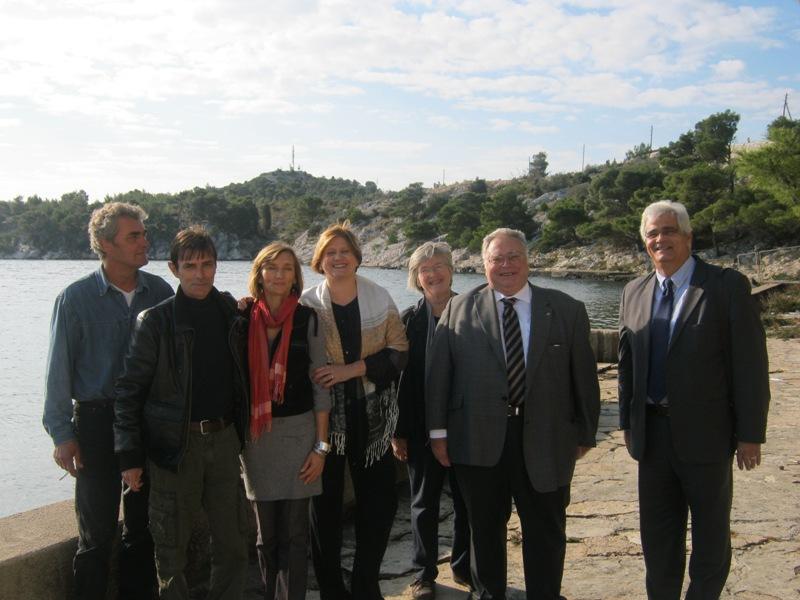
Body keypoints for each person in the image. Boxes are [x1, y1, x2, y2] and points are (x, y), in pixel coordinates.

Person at [426, 227, 600, 600]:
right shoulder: (459, 309)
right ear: (484, 264)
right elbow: (439, 375)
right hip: (477, 440)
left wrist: (585, 432)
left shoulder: (567, 310)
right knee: (484, 531)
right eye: (496, 259)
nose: (505, 265)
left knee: (546, 530)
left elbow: (583, 378)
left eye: (513, 257)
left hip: (546, 439)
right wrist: (438, 433)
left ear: (527, 260)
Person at [618, 200, 770, 600]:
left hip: (707, 435)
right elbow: (626, 365)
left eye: (669, 231)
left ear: (688, 237)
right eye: (652, 233)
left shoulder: (726, 287)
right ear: (644, 242)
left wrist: (750, 433)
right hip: (651, 436)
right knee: (658, 537)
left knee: (711, 536)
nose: (660, 239)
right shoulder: (633, 292)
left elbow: (750, 364)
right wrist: (626, 425)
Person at [43, 201, 171, 600]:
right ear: (105, 243)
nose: (144, 242)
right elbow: (57, 373)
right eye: (134, 236)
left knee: (143, 529)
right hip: (96, 424)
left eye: (144, 234)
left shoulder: (161, 292)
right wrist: (62, 434)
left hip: (147, 423)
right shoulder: (75, 299)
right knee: (95, 533)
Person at [114, 226, 250, 600]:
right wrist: (129, 456)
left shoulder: (231, 313)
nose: (200, 273)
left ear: (216, 265)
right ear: (174, 269)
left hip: (224, 441)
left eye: (207, 264)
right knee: (170, 547)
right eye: (190, 265)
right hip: (174, 447)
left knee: (235, 540)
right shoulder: (155, 322)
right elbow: (129, 392)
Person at [300, 222, 408, 600]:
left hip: (374, 419)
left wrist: (353, 369)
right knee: (323, 509)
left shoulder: (379, 298)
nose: (338, 258)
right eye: (330, 253)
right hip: (326, 422)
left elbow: (399, 353)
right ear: (319, 261)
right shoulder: (308, 304)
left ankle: (365, 583)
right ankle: (331, 588)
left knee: (378, 505)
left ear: (358, 258)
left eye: (345, 251)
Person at [240, 242, 330, 600]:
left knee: (295, 536)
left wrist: (321, 448)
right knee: (266, 537)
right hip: (257, 439)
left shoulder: (309, 319)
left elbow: (321, 389)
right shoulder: (242, 318)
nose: (279, 275)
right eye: (272, 267)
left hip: (299, 436)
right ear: (259, 273)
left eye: (287, 268)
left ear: (296, 276)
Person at [392, 241, 471, 600]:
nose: (433, 273)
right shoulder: (409, 320)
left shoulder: (474, 312)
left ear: (452, 270)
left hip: (469, 427)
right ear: (416, 277)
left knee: (468, 502)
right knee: (423, 503)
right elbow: (402, 383)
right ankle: (424, 573)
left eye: (440, 266)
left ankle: (465, 565)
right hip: (422, 430)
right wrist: (399, 432)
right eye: (426, 269)